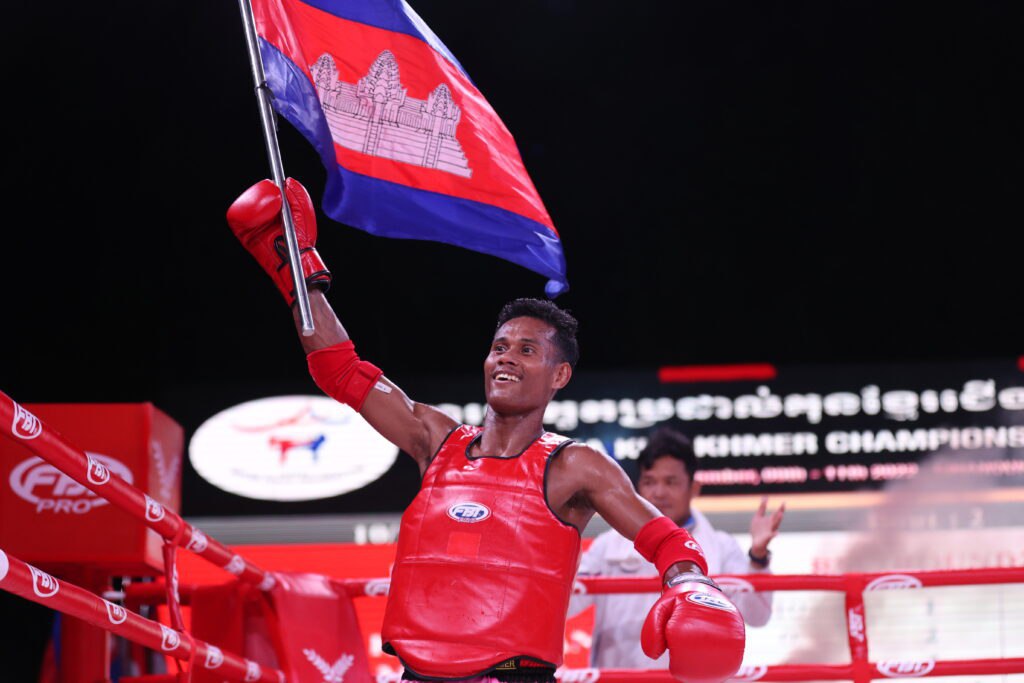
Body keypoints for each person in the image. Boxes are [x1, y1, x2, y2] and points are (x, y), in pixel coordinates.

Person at [225, 178, 746, 683]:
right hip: (417, 677)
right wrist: (298, 274)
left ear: (560, 376)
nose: (506, 358)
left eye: (527, 350)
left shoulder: (575, 467)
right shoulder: (435, 439)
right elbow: (340, 370)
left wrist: (691, 583)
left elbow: (666, 538)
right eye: (500, 347)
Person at [571, 426, 785, 670]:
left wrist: (758, 556)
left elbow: (758, 616)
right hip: (621, 677)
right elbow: (566, 608)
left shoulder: (722, 546)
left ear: (694, 488)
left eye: (670, 482)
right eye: (649, 482)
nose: (659, 493)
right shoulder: (607, 545)